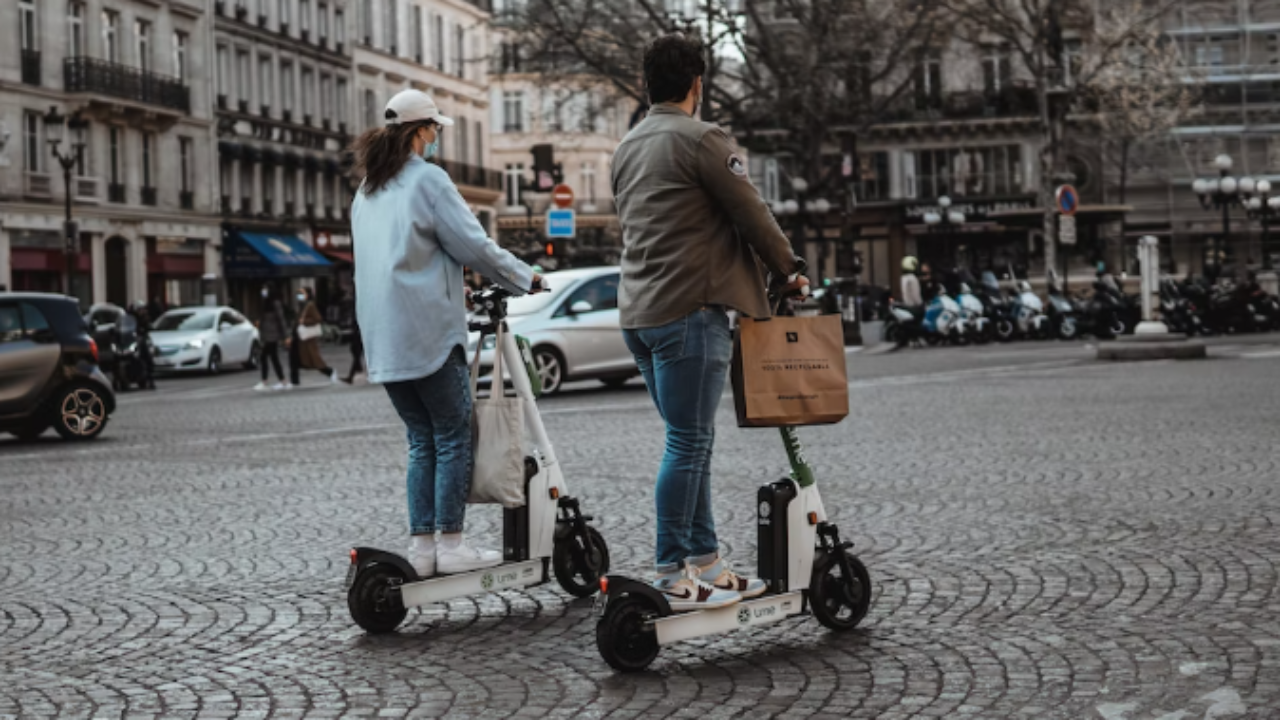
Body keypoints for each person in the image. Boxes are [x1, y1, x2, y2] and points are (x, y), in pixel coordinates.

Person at [611, 34, 808, 612]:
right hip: (690, 311)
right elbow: (752, 212)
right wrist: (789, 268)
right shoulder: (702, 139)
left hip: (640, 314)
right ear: (698, 83)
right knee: (689, 442)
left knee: (690, 443)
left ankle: (709, 564)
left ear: (648, 84)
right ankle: (673, 569)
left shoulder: (627, 145)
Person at [350, 88, 542, 577]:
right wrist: (526, 277)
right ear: (420, 131)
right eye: (434, 129)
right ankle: (452, 544)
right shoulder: (428, 181)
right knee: (454, 434)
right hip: (427, 331)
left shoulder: (368, 189)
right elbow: (472, 246)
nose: (437, 138)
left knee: (421, 439)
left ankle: (422, 547)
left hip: (384, 337)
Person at [287, 287, 338, 386]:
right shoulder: (301, 306)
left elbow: (318, 319)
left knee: (314, 361)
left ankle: (330, 371)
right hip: (298, 338)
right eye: (298, 293)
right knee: (294, 360)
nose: (299, 295)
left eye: (302, 293)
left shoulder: (310, 305)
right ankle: (294, 381)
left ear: (307, 294)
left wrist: (304, 322)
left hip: (306, 339)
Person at [254, 284, 289, 391]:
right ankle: (282, 380)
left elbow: (281, 320)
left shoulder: (275, 303)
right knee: (273, 358)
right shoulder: (265, 302)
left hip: (273, 335)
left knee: (265, 357)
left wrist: (285, 336)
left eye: (266, 289)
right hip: (266, 334)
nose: (264, 291)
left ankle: (266, 380)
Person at [126, 302, 156, 390]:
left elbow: (148, 325)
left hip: (141, 339)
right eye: (139, 309)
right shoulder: (129, 317)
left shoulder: (144, 317)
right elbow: (123, 326)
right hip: (130, 340)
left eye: (142, 309)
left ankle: (150, 379)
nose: (141, 311)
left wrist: (145, 328)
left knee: (146, 356)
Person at [341, 317, 365, 384]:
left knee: (356, 356)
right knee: (356, 354)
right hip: (357, 335)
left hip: (359, 335)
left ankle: (351, 376)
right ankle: (359, 369)